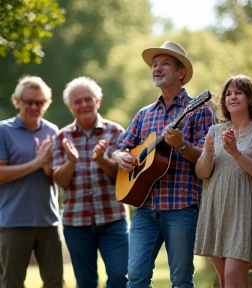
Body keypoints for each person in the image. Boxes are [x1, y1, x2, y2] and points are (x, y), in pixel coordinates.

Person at [112, 41, 213, 287]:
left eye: (164, 64)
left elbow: (208, 160)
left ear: (181, 73)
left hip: (181, 207)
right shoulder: (144, 114)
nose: (157, 68)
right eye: (154, 64)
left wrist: (181, 145)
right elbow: (122, 148)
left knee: (180, 279)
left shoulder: (199, 111)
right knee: (135, 277)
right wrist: (120, 157)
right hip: (145, 208)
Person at [194, 74, 252, 288]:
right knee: (225, 281)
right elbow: (202, 173)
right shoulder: (215, 131)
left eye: (238, 92)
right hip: (216, 209)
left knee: (232, 277)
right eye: (228, 94)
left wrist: (236, 153)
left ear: (251, 99)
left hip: (245, 211)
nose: (232, 97)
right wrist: (209, 153)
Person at [52, 76, 128, 288]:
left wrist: (102, 160)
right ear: (70, 106)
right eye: (78, 101)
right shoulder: (61, 137)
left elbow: (122, 176)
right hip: (76, 224)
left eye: (88, 99)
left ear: (97, 102)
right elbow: (60, 180)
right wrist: (72, 161)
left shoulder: (115, 131)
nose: (84, 104)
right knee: (85, 282)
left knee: (120, 277)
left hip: (113, 219)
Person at [0, 76, 63, 288]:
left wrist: (46, 167)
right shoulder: (4, 130)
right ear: (17, 101)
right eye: (29, 102)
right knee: (12, 283)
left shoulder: (53, 131)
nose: (34, 107)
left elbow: (56, 176)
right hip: (13, 221)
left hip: (48, 221)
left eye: (40, 102)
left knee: (54, 281)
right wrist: (36, 163)